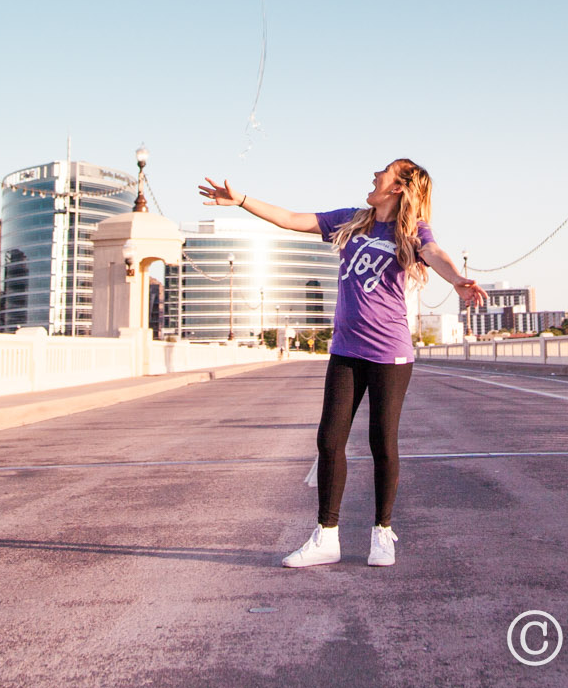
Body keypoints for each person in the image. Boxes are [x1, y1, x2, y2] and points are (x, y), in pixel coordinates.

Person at [198, 159, 485, 567]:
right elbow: (292, 218)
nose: (374, 174)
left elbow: (434, 253)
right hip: (346, 349)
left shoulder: (412, 231)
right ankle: (326, 537)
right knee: (329, 440)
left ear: (400, 187)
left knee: (382, 442)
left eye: (384, 171)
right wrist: (241, 199)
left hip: (390, 352)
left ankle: (382, 532)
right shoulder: (352, 220)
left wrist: (456, 278)